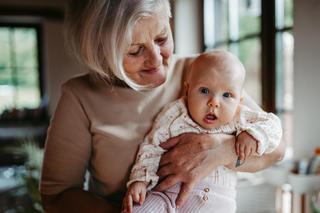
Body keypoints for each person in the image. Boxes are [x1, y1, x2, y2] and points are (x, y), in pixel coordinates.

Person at [40, 0, 285, 212]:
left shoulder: (203, 72)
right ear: (102, 54)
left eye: (161, 38)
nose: (156, 60)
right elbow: (56, 196)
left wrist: (224, 150)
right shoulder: (80, 96)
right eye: (135, 51)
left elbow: (277, 148)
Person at [122, 51, 282, 213]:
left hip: (217, 203)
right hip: (166, 195)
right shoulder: (174, 113)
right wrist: (140, 181)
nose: (214, 103)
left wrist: (254, 134)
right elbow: (151, 146)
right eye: (204, 91)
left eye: (227, 95)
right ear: (187, 90)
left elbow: (273, 124)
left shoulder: (240, 116)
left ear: (239, 101)